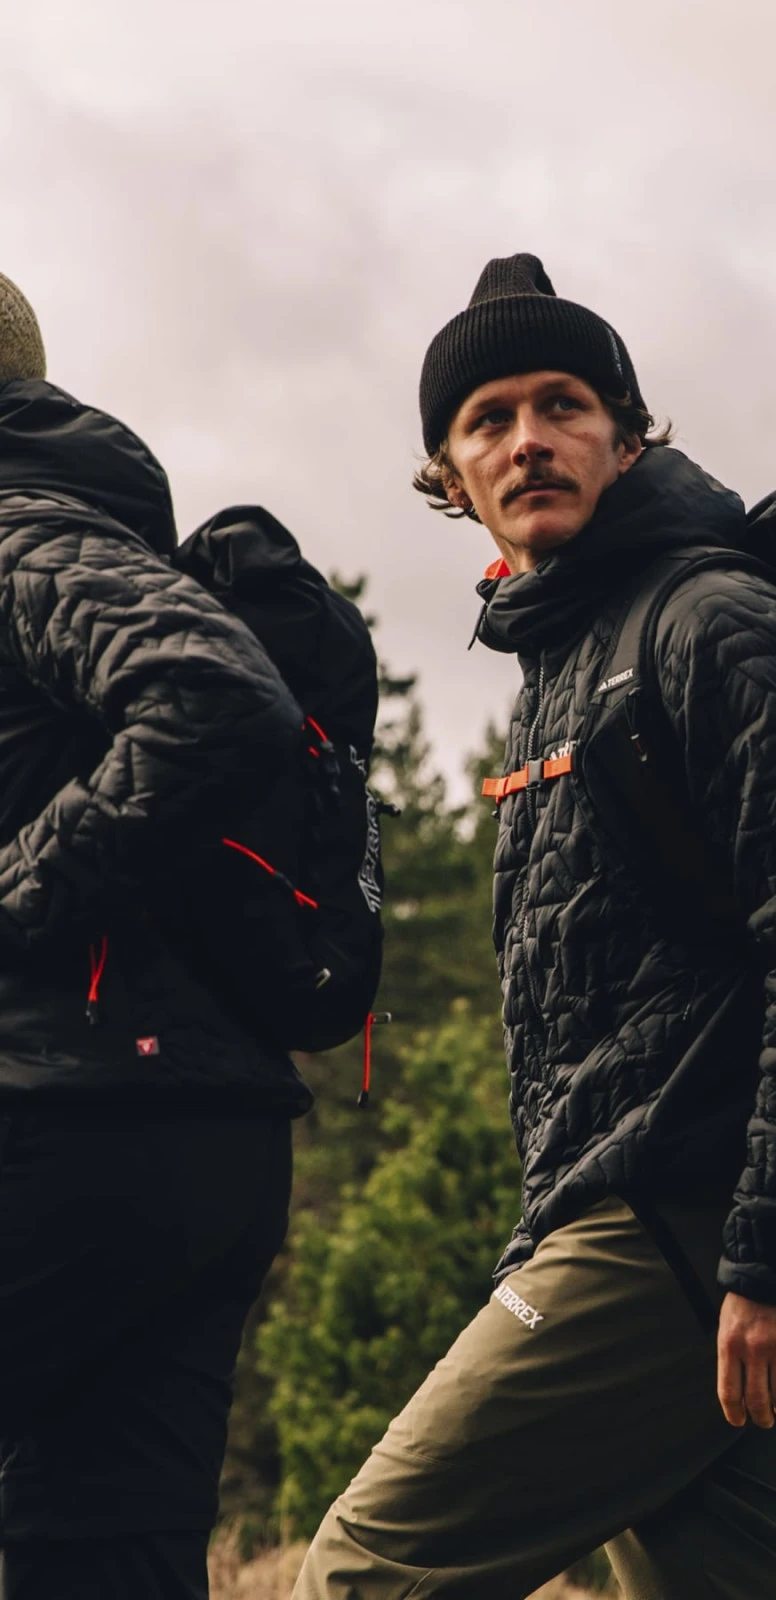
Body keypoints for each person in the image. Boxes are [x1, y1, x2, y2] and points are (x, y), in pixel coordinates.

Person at [294, 253, 776, 1600]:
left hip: (692, 1224)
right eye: (489, 419)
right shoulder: (565, 655)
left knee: (362, 1574)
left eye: (563, 405)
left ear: (627, 439)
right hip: (667, 1220)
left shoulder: (713, 625)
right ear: (451, 476)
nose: (528, 439)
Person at [0, 272, 316, 1598]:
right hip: (194, 1141)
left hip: (63, 1124)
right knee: (103, 1560)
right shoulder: (82, 527)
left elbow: (210, 693)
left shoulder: (18, 531)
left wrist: (14, 897)